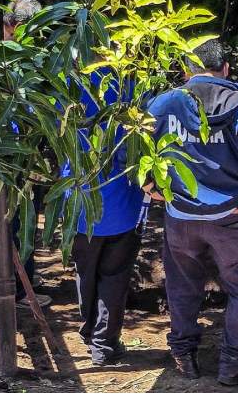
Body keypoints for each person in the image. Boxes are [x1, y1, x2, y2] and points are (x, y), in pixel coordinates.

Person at [145, 39, 238, 385]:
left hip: (181, 217)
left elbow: (139, 148)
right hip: (232, 217)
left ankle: (183, 355)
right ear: (225, 70)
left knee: (182, 287)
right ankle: (234, 364)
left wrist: (153, 187)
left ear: (186, 71)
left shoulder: (164, 105)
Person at [62, 68, 145, 366]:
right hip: (122, 204)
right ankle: (104, 344)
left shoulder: (65, 84)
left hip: (79, 203)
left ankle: (92, 334)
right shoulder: (131, 84)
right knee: (114, 275)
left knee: (85, 272)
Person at [4, 0, 52, 309]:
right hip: (13, 157)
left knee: (19, 221)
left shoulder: (19, 59)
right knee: (19, 223)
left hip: (21, 155)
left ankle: (20, 286)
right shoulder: (12, 61)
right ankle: (19, 291)